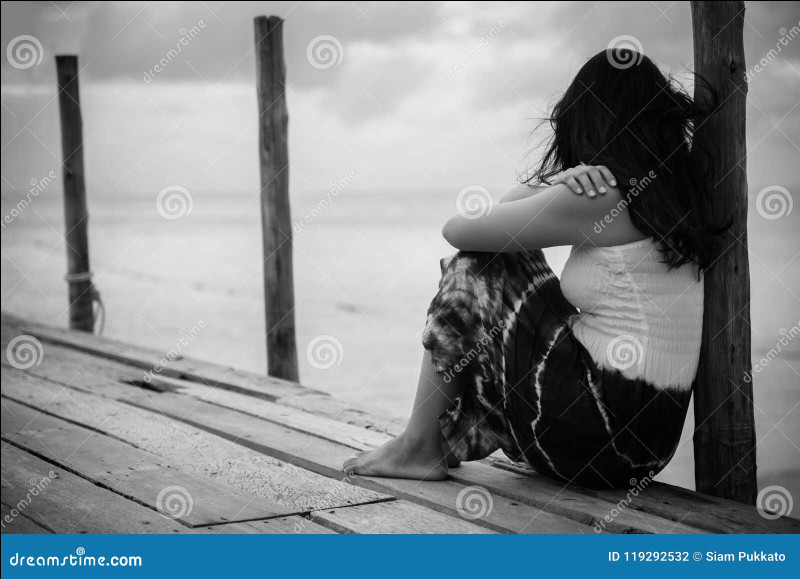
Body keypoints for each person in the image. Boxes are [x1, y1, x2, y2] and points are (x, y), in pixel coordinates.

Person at [343, 48, 724, 488]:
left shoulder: (602, 197)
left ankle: (418, 445)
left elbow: (460, 231)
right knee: (501, 258)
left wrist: (554, 185)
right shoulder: (675, 200)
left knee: (475, 268)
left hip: (599, 430)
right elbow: (502, 231)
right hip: (642, 447)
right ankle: (435, 439)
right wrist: (559, 186)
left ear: (587, 121)